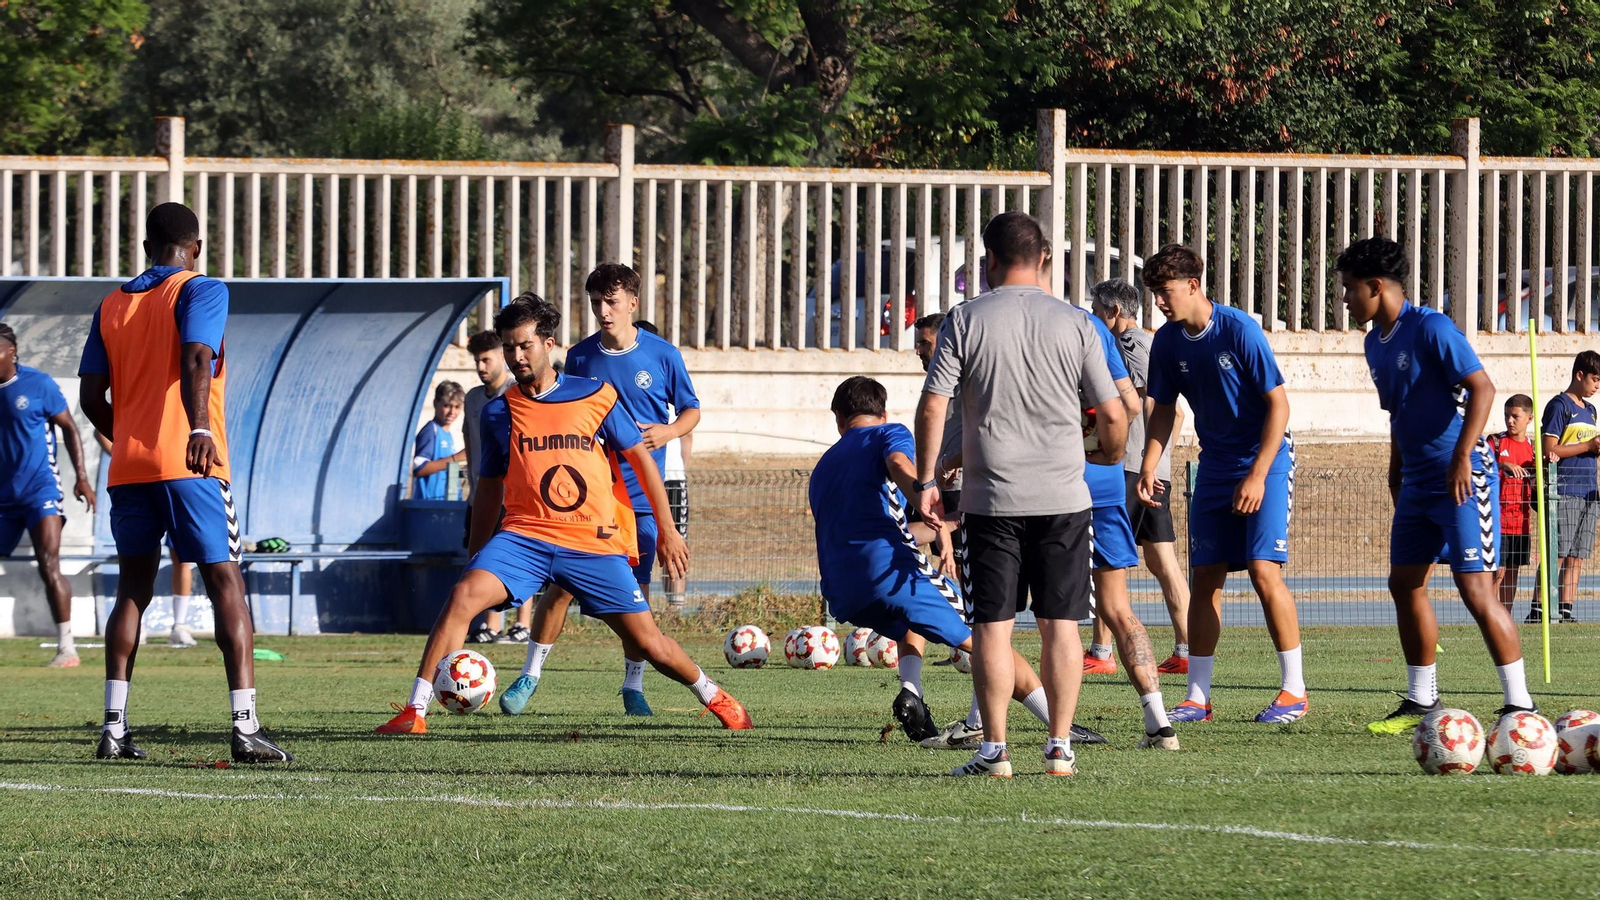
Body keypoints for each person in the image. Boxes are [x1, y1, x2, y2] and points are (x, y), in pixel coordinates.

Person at [375, 294, 750, 734]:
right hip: (524, 537)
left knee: (649, 643)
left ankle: (716, 697)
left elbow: (643, 460)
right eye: (509, 347)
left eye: (525, 346)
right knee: (462, 599)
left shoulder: (595, 395)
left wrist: (667, 528)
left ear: (548, 343)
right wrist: (477, 554)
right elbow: (490, 486)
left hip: (591, 542)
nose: (517, 357)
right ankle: (415, 711)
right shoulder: (499, 412)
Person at [78, 201, 291, 762]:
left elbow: (88, 397)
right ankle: (244, 728)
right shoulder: (202, 289)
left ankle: (114, 728)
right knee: (227, 584)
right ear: (194, 246)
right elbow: (197, 356)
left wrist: (128, 437)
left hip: (129, 470)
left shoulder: (111, 303)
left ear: (147, 247)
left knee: (132, 590)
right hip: (191, 462)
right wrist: (199, 427)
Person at [916, 211, 1127, 778]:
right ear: (1045, 261)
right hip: (1063, 497)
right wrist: (1106, 453)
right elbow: (1112, 411)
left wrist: (928, 480)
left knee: (993, 627)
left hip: (992, 502)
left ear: (987, 263)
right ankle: (1059, 746)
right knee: (1062, 625)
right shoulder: (1078, 323)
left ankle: (995, 751)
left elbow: (935, 403)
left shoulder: (964, 319)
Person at [1336, 237, 1536, 734]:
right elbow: (1398, 412)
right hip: (1418, 482)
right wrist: (1394, 469)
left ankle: (1520, 705)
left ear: (1375, 287)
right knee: (1404, 583)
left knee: (1475, 590)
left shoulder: (1432, 327)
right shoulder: (1372, 343)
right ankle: (1422, 699)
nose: (1344, 299)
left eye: (1349, 289)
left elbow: (1483, 387)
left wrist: (1464, 456)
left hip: (1464, 479)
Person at [499, 268, 701, 719]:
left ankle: (633, 686)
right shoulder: (581, 356)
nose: (602, 311)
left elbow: (691, 411)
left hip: (643, 498)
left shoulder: (663, 355)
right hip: (590, 496)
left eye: (611, 301)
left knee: (638, 596)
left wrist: (666, 431)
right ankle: (530, 673)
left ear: (632, 301)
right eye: (595, 303)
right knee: (561, 586)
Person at [912, 313, 1108, 752]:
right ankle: (1057, 739)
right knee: (1045, 623)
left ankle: (988, 734)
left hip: (982, 501)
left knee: (990, 624)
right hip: (1048, 498)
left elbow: (981, 428)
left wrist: (941, 471)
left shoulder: (963, 374)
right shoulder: (1049, 344)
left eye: (925, 343)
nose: (922, 352)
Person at [1137, 243, 1308, 725]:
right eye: (1154, 294)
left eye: (1166, 292)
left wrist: (1257, 473)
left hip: (1265, 459)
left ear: (1193, 285)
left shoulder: (1239, 329)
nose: (1161, 303)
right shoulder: (1168, 342)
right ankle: (1197, 697)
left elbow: (1279, 405)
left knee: (1262, 570)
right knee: (1205, 577)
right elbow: (1164, 409)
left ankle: (1294, 691)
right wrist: (1151, 462)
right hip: (1214, 465)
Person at [810, 375, 972, 741]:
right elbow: (900, 464)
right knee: (987, 634)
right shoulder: (889, 434)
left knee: (909, 619)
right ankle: (1053, 726)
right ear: (883, 414)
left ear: (838, 417)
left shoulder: (823, 467)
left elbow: (882, 529)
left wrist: (945, 524)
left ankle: (912, 694)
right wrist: (925, 495)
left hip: (843, 592)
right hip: (887, 573)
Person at [1091, 278, 1193, 674]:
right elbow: (1172, 411)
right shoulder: (1151, 343)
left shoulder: (1130, 345)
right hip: (1150, 469)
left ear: (1114, 312)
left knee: (1106, 560)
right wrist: (1161, 460)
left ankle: (1101, 653)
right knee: (1162, 560)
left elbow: (1145, 403)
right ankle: (1186, 649)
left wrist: (1136, 455)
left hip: (1132, 468)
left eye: (1099, 311)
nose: (1096, 319)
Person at [0, 322, 96, 667]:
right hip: (3, 498)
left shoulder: (37, 384)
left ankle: (67, 647)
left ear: (12, 351)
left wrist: (82, 479)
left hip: (40, 491)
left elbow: (69, 428)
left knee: (48, 564)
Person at [96, 428, 197, 648]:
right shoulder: (131, 398)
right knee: (136, 564)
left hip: (178, 479)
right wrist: (123, 454)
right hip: (138, 483)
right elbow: (98, 424)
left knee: (183, 558)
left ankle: (179, 625)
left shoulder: (182, 400)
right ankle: (136, 625)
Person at [461, 329, 530, 644]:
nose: (481, 366)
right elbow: (469, 437)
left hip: (514, 496)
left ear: (502, 358)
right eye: (477, 360)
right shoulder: (474, 397)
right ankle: (491, 624)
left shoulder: (519, 394)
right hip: (481, 493)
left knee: (518, 557)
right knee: (484, 557)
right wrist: (474, 483)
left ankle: (523, 624)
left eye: (486, 359)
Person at [1539, 350, 1600, 624]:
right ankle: (1539, 608)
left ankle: (1566, 609)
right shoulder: (1559, 405)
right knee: (1558, 552)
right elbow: (1548, 449)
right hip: (1564, 489)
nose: (1597, 386)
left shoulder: (1591, 411)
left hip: (1588, 489)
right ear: (1579, 375)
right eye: (1595, 380)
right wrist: (1587, 446)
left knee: (1577, 555)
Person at [638, 320, 693, 608]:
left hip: (670, 474)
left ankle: (676, 604)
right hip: (644, 475)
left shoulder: (666, 366)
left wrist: (679, 467)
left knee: (673, 540)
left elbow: (687, 427)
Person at [1489, 395, 1538, 615]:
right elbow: (1477, 463)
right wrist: (1502, 464)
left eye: (1515, 416)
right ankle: (1490, 616)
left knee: (1512, 572)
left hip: (1521, 522)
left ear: (1529, 418)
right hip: (1496, 521)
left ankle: (1505, 616)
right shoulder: (1496, 442)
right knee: (1495, 572)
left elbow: (1538, 484)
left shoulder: (1533, 449)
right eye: (1507, 415)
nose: (1510, 421)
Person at [413, 381, 466, 501]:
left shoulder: (448, 434)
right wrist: (456, 458)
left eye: (457, 407)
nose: (452, 412)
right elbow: (419, 468)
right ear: (436, 404)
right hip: (430, 504)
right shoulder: (431, 430)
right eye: (447, 405)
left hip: (446, 502)